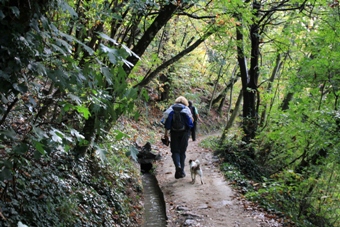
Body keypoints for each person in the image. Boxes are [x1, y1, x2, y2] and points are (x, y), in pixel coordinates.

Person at [163, 96, 193, 179]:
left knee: (175, 151)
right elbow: (190, 123)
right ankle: (182, 172)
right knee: (182, 152)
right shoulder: (186, 109)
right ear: (185, 102)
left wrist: (166, 134)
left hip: (174, 133)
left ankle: (178, 167)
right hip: (184, 133)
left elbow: (166, 122)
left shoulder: (171, 109)